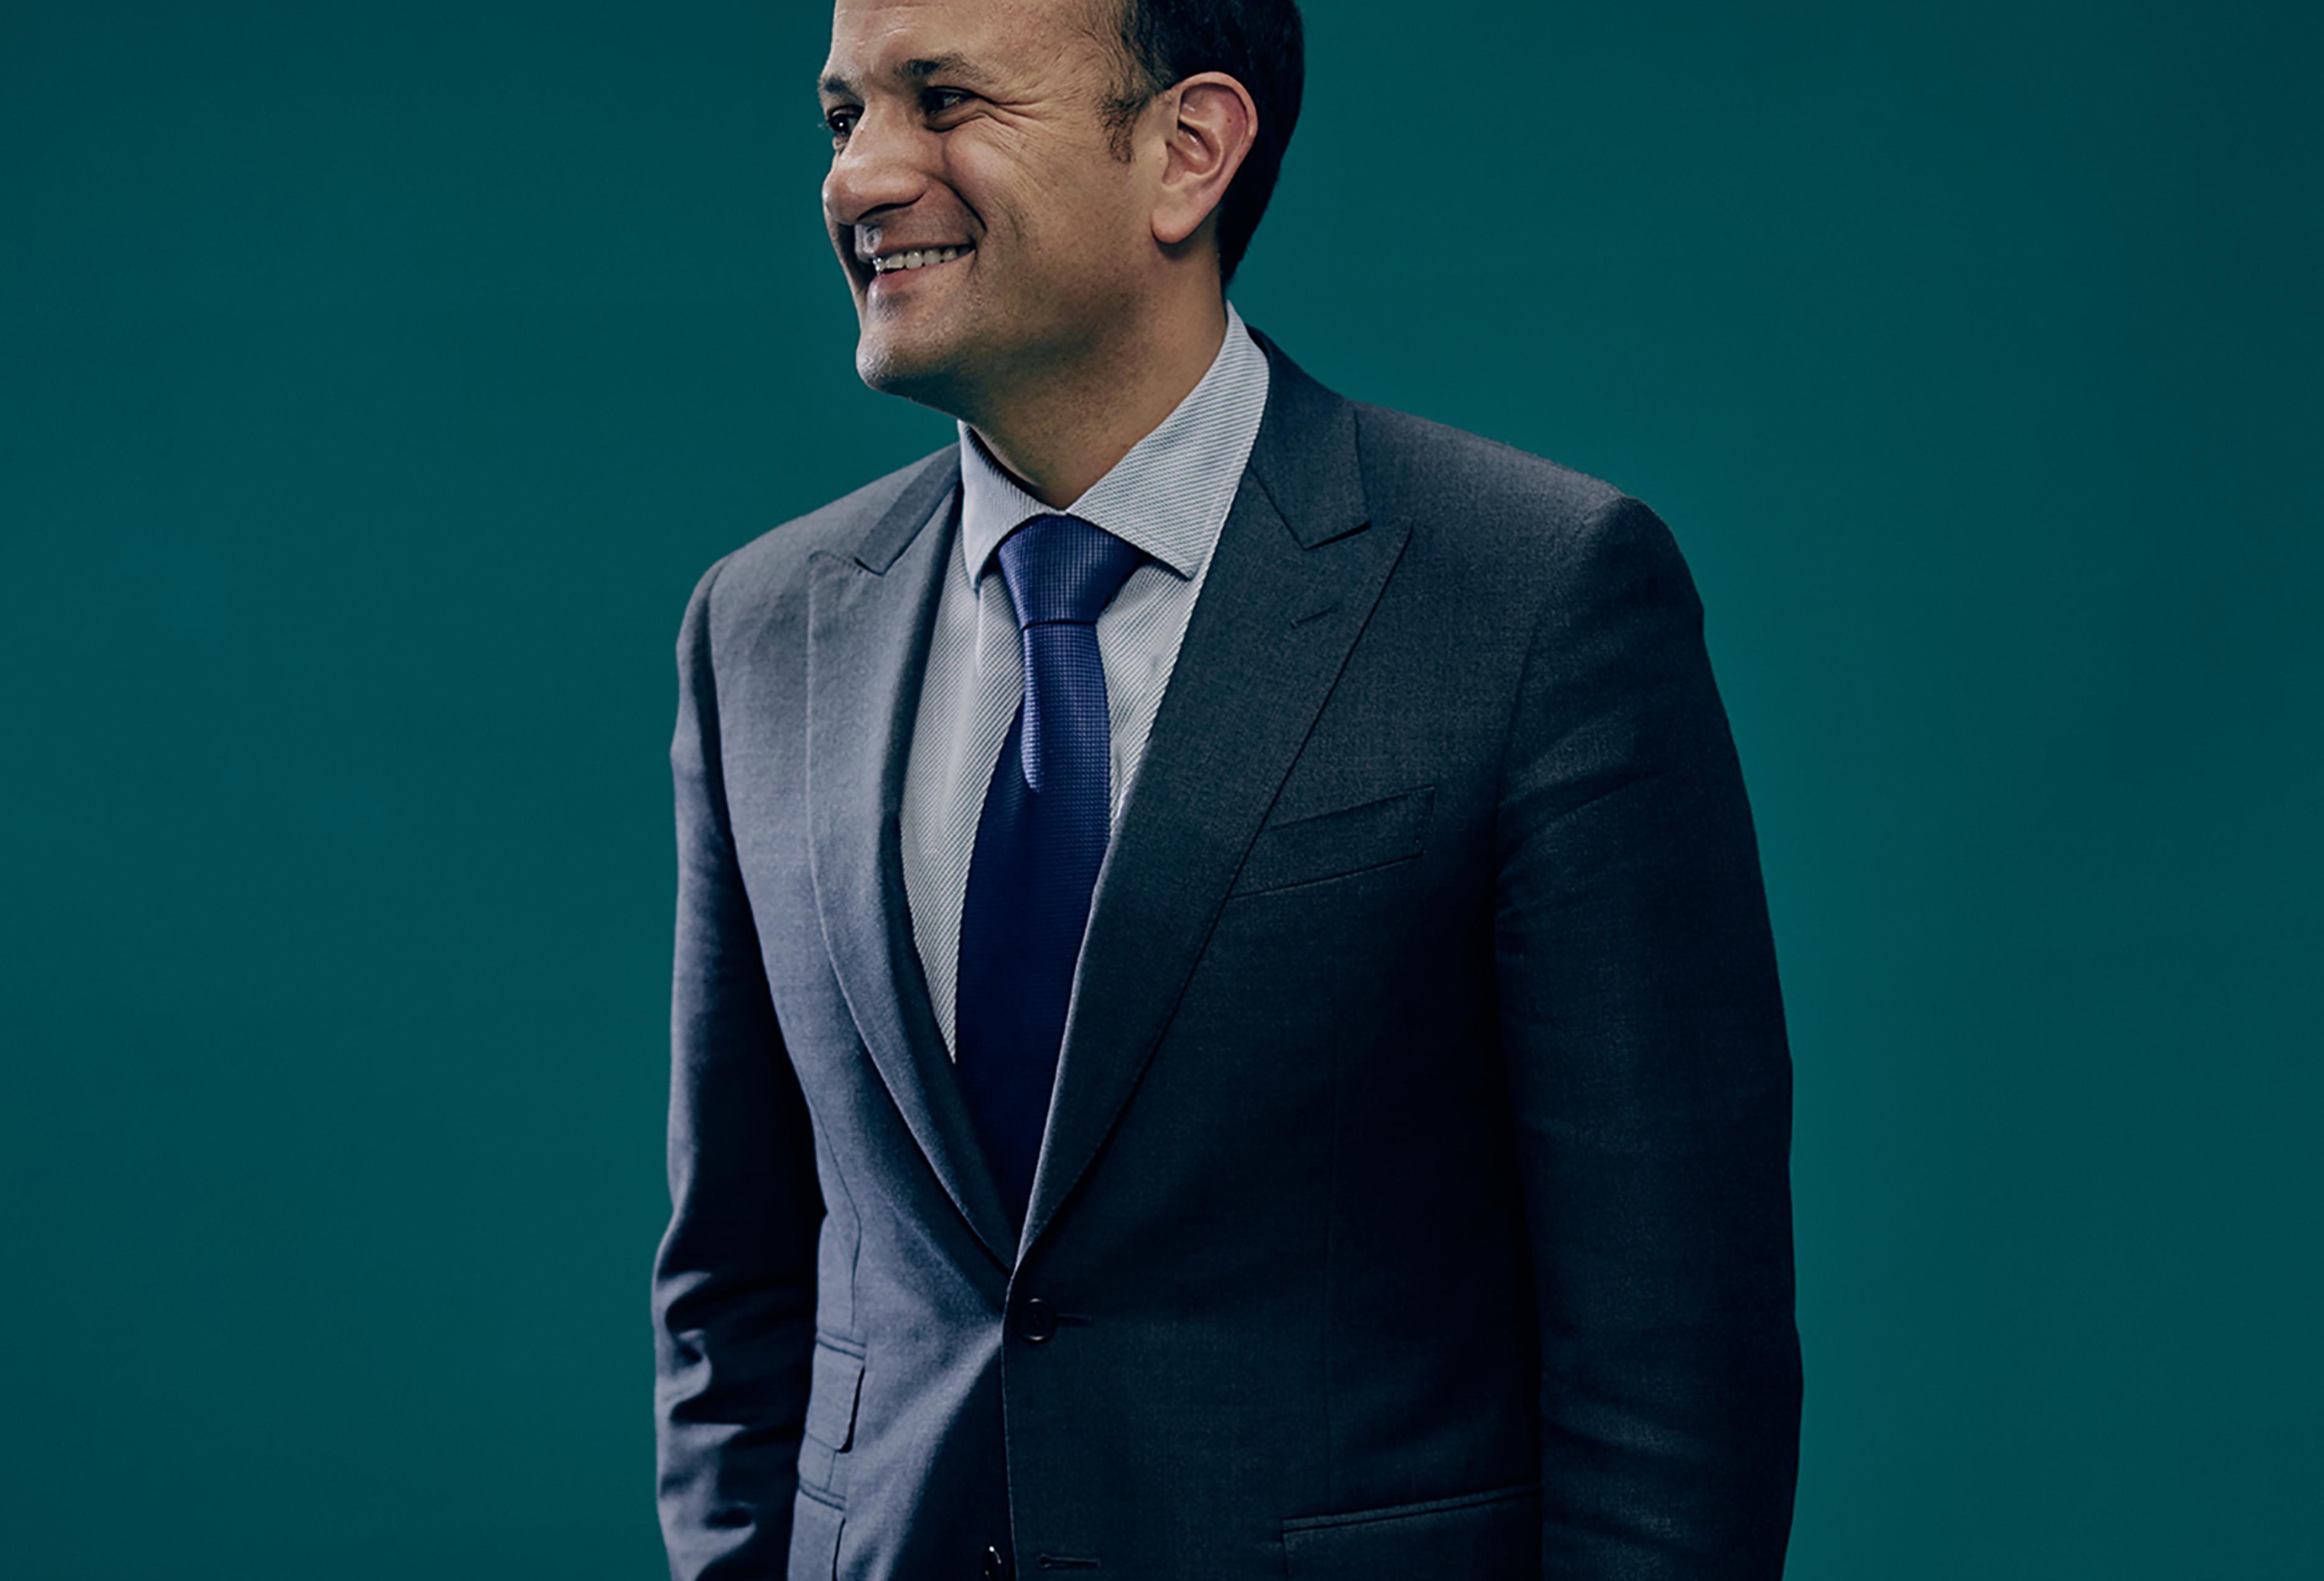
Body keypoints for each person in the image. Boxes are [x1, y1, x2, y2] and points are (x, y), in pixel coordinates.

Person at [651, 0, 1802, 1575]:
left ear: (1188, 149)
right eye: (846, 115)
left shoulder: (1537, 598)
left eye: (946, 98)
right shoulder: (761, 628)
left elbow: (1674, 1372)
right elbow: (733, 1289)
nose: (861, 175)